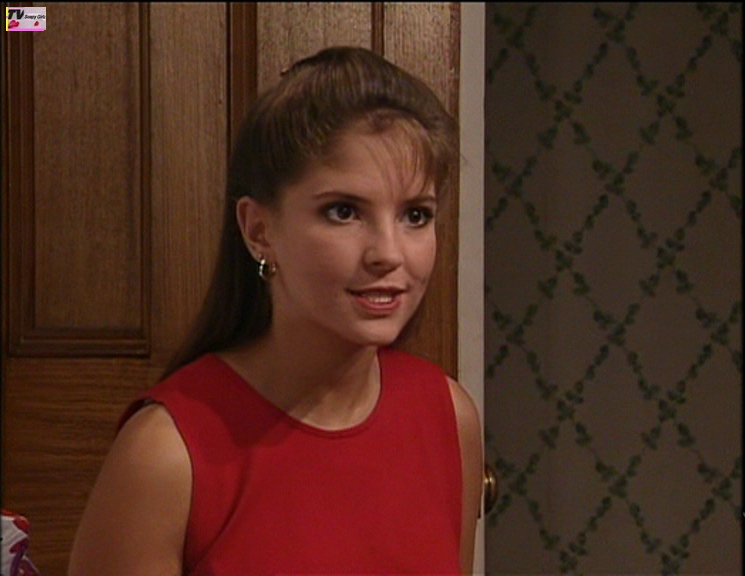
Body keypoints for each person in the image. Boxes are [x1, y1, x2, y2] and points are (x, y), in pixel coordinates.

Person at [68, 45, 482, 575]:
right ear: (259, 230)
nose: (389, 253)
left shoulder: (448, 415)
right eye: (343, 211)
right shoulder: (166, 452)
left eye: (416, 216)